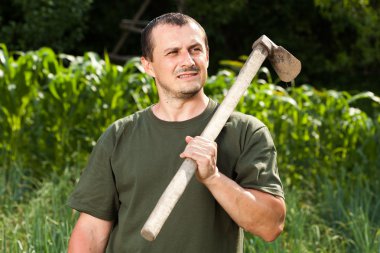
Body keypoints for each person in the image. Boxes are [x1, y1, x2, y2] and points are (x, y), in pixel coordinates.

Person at [67, 12, 286, 253]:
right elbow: (91, 231)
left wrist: (214, 178)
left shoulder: (245, 132)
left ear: (207, 56)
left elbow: (271, 225)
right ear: (148, 65)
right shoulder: (120, 135)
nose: (188, 61)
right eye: (173, 52)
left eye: (195, 50)